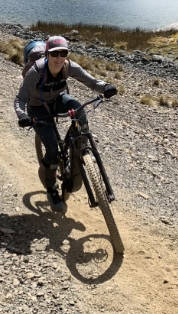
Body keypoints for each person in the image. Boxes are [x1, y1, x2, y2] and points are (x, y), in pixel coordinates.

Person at [14, 36, 117, 212]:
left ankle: (82, 146)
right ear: (47, 54)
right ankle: (51, 189)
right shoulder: (35, 72)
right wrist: (22, 115)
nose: (59, 58)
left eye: (63, 53)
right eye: (55, 53)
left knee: (78, 108)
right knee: (53, 149)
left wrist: (105, 86)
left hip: (58, 100)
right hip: (37, 108)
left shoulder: (68, 66)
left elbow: (91, 81)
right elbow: (20, 99)